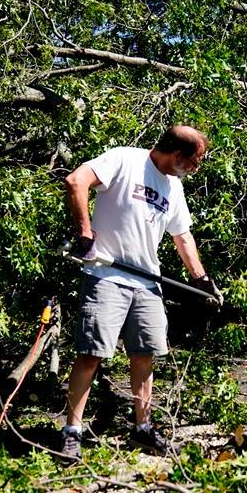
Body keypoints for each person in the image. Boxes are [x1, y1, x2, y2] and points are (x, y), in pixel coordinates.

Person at [60, 125, 222, 459]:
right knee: (91, 354)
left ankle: (142, 428)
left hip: (148, 282)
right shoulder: (124, 160)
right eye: (195, 161)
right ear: (177, 155)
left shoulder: (173, 187)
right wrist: (85, 233)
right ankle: (72, 431)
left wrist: (201, 280)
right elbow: (76, 181)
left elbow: (183, 237)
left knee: (144, 356)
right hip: (106, 275)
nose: (196, 168)